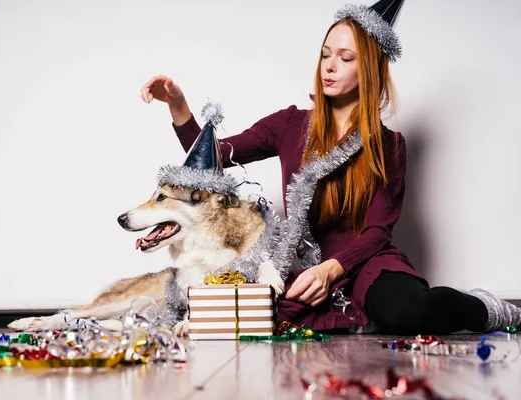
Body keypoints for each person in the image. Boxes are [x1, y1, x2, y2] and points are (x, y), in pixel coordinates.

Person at [139, 1, 521, 335]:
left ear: (369, 68)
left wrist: (332, 271)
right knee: (254, 313)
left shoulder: (389, 145)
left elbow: (377, 230)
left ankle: (487, 308)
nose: (330, 67)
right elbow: (214, 157)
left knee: (407, 311)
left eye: (346, 58)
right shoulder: (290, 124)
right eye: (325, 54)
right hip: (303, 266)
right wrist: (178, 106)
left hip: (365, 262)